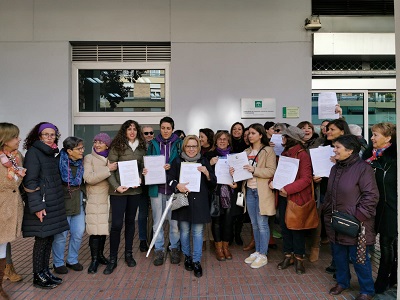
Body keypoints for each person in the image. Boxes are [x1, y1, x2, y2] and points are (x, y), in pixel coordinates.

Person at [323, 135, 378, 300]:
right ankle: (342, 282)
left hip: (357, 224)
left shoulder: (363, 168)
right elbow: (330, 193)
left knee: (359, 258)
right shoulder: (335, 168)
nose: (334, 150)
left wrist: (358, 216)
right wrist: (326, 212)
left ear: (350, 150)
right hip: (336, 221)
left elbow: (371, 196)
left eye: (337, 147)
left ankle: (367, 290)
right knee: (338, 255)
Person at [22, 122, 69, 289]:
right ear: (39, 136)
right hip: (42, 204)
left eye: (53, 134)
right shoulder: (34, 153)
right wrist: (37, 207)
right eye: (46, 134)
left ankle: (45, 271)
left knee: (49, 238)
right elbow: (30, 182)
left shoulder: (51, 153)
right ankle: (37, 275)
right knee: (41, 240)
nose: (50, 138)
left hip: (52, 203)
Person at [168, 135, 217, 277]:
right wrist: (177, 185)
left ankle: (196, 261)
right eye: (188, 146)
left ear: (198, 147)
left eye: (194, 146)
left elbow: (213, 183)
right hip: (184, 202)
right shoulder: (178, 161)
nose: (191, 149)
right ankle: (187, 257)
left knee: (197, 233)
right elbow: (169, 179)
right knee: (184, 232)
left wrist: (207, 173)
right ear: (184, 147)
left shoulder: (204, 161)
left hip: (200, 203)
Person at [104, 120, 146, 275]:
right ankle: (113, 258)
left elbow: (142, 167)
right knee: (116, 224)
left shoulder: (142, 147)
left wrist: (141, 177)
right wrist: (116, 186)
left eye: (135, 129)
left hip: (134, 191)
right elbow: (110, 169)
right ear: (124, 131)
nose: (132, 132)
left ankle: (128, 254)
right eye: (129, 129)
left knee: (130, 223)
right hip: (119, 192)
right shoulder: (117, 146)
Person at [232, 123, 276, 269]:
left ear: (261, 135)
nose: (249, 136)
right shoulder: (246, 151)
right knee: (254, 224)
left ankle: (263, 254)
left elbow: (271, 171)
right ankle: (257, 251)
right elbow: (242, 173)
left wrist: (254, 170)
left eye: (253, 133)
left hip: (262, 192)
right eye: (248, 133)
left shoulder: (268, 150)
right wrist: (235, 172)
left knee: (262, 224)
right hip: (249, 191)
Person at [271, 126, 313, 274]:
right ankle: (288, 256)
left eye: (284, 136)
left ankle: (299, 259)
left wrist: (287, 189)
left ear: (291, 139)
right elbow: (280, 172)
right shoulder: (285, 153)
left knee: (297, 230)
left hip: (295, 198)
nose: (282, 139)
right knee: (285, 227)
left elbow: (306, 179)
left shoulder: (302, 155)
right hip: (284, 197)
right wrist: (273, 181)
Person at [362, 123, 397, 294]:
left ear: (388, 138)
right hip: (372, 207)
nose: (372, 138)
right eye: (372, 134)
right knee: (381, 244)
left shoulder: (394, 159)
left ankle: (383, 281)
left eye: (375, 135)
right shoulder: (369, 156)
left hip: (390, 208)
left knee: (386, 244)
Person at [316, 118, 351, 274]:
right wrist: (315, 176)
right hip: (325, 191)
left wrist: (339, 162)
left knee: (342, 229)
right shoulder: (322, 147)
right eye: (327, 129)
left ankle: (342, 264)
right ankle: (335, 261)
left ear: (342, 132)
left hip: (343, 196)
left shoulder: (350, 151)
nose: (328, 132)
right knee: (331, 228)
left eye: (332, 129)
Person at [146, 117, 182, 266]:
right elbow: (148, 160)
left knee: (174, 223)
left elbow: (182, 163)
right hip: (157, 188)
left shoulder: (179, 144)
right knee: (157, 222)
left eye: (168, 128)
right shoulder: (153, 144)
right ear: (159, 129)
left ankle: (174, 248)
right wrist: (146, 170)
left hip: (173, 189)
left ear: (172, 129)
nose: (165, 131)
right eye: (163, 128)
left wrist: (172, 167)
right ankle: (159, 249)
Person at [83, 133, 117, 274]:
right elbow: (88, 178)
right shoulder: (89, 158)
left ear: (107, 145)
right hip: (95, 199)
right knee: (95, 232)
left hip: (109, 198)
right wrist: (108, 169)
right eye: (95, 141)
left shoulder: (112, 158)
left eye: (101, 142)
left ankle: (101, 255)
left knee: (103, 230)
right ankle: (94, 259)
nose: (97, 144)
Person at [52, 137, 86, 275]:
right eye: (79, 149)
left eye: (82, 148)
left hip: (77, 202)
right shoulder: (57, 162)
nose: (82, 151)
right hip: (62, 203)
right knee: (61, 235)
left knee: (78, 232)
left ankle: (72, 260)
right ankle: (58, 263)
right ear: (69, 151)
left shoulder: (83, 163)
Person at [205, 131, 240, 261]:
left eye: (225, 139)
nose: (222, 141)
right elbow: (204, 176)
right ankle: (218, 248)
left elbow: (241, 174)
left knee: (229, 221)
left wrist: (236, 181)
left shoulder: (234, 156)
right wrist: (210, 164)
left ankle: (226, 247)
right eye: (220, 139)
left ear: (229, 141)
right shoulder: (209, 155)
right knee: (217, 221)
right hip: (216, 192)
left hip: (230, 192)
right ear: (215, 141)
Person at [0, 122, 25, 298]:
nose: (18, 139)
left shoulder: (16, 157)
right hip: (1, 206)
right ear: (5, 139)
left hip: (10, 208)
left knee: (2, 248)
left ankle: (0, 287)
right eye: (15, 137)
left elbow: (17, 182)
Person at [297, 121, 323, 262]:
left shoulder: (320, 143)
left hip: (315, 185)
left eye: (309, 128)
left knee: (315, 216)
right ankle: (301, 248)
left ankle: (315, 247)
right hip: (299, 186)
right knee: (300, 215)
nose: (306, 130)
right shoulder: (294, 145)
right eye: (303, 128)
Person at [229, 122, 247, 246]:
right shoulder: (228, 144)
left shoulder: (246, 145)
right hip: (229, 180)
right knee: (230, 210)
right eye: (234, 129)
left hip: (242, 181)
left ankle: (238, 234)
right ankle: (230, 235)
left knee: (240, 208)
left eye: (239, 129)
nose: (236, 131)